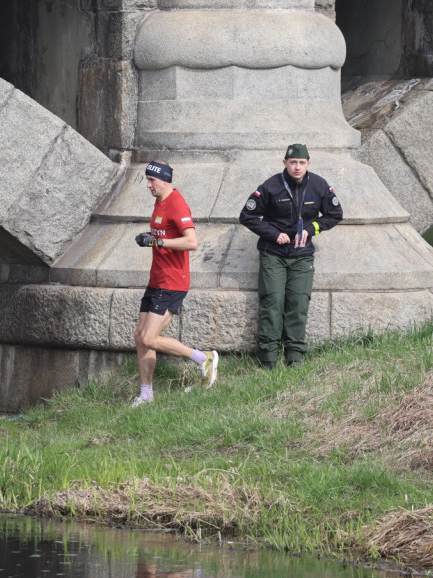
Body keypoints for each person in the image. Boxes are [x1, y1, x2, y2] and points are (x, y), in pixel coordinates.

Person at [238, 144, 343, 369]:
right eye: (293, 162)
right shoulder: (271, 186)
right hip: (273, 255)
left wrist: (311, 228)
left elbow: (335, 214)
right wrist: (274, 234)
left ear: (308, 164)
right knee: (272, 302)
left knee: (298, 304)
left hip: (302, 255)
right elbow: (247, 215)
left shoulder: (319, 185)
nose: (297, 167)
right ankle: (268, 359)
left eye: (301, 163)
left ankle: (294, 359)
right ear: (285, 163)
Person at [131, 161, 218, 406]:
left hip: (172, 282)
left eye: (152, 180)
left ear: (165, 180)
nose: (148, 185)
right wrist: (150, 240)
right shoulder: (159, 201)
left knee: (149, 338)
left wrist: (158, 243)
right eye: (146, 180)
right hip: (156, 279)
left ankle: (204, 358)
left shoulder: (176, 203)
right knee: (140, 336)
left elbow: (192, 242)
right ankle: (146, 395)